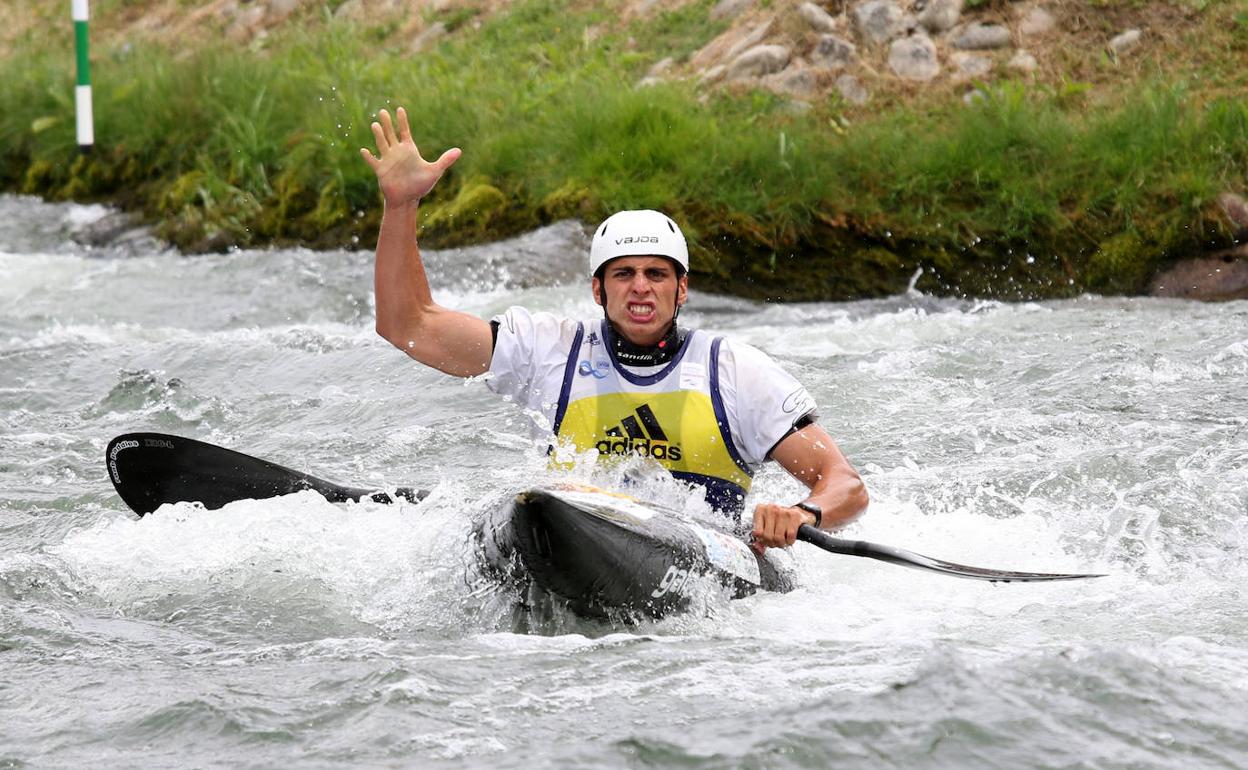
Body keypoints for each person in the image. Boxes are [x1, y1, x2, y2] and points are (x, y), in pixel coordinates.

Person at [360, 107, 868, 550]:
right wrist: (401, 205)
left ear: (682, 290)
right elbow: (409, 325)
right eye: (624, 274)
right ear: (598, 291)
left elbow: (843, 482)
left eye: (657, 274)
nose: (641, 287)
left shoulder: (735, 372)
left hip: (700, 549)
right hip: (576, 528)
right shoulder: (547, 350)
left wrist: (804, 514)